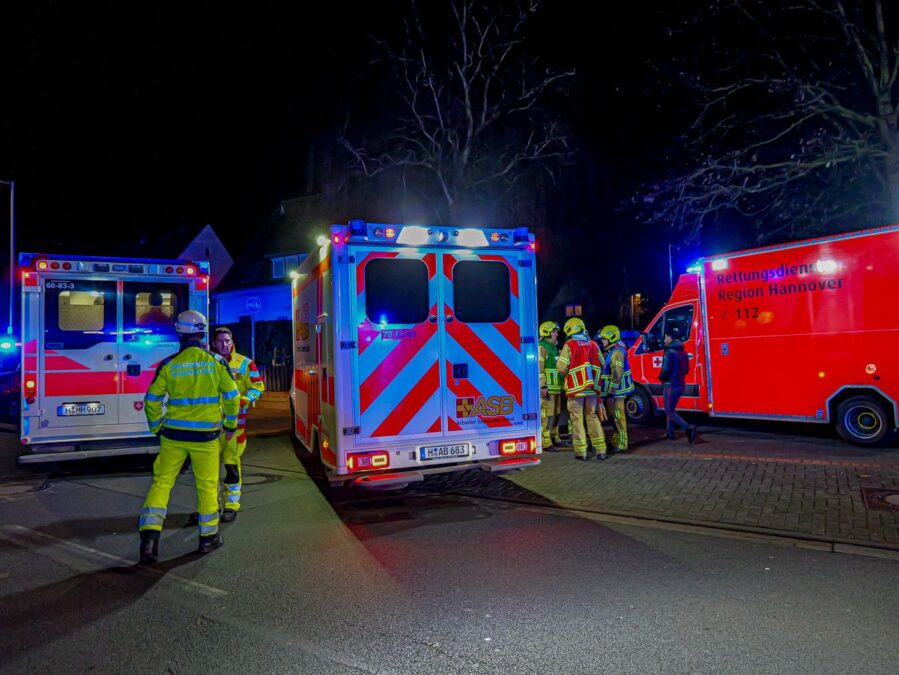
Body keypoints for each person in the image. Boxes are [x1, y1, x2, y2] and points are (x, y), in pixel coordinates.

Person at [138, 310, 240, 563]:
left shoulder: (169, 364)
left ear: (179, 334)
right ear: (203, 333)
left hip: (173, 437)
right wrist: (230, 424)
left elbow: (151, 400)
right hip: (206, 438)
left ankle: (149, 541)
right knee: (206, 486)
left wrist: (157, 427)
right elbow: (232, 397)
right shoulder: (217, 362)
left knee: (162, 483)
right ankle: (208, 538)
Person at [211, 326, 265, 522]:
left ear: (232, 342)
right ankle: (212, 505)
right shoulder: (207, 363)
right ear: (214, 343)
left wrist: (243, 401)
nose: (224, 344)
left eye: (227, 340)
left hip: (235, 428)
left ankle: (231, 506)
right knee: (209, 472)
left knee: (232, 468)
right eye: (220, 341)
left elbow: (258, 386)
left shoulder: (245, 363)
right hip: (211, 427)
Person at [556, 317, 608, 460]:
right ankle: (601, 450)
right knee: (592, 416)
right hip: (592, 388)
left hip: (576, 389)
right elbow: (603, 364)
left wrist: (567, 375)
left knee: (577, 419)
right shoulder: (593, 344)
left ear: (570, 330)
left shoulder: (569, 344)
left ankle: (581, 452)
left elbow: (561, 367)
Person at [598, 325, 635, 453]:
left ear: (612, 338)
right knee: (614, 418)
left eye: (604, 338)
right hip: (614, 392)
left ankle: (622, 444)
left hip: (617, 392)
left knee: (619, 418)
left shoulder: (617, 352)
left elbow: (617, 374)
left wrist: (610, 393)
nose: (602, 341)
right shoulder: (613, 350)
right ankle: (616, 440)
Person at [659, 331, 697, 443]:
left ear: (670, 339)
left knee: (669, 410)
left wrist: (661, 378)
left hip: (670, 386)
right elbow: (686, 370)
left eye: (666, 338)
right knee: (671, 409)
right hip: (680, 385)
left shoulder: (668, 352)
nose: (664, 340)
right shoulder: (683, 352)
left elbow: (665, 370)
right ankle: (670, 433)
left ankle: (688, 428)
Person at [538, 320, 568, 451]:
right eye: (554, 331)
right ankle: (546, 442)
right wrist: (543, 386)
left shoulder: (554, 347)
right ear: (547, 332)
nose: (556, 334)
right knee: (547, 415)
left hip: (556, 388)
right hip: (548, 389)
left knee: (556, 413)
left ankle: (555, 438)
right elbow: (540, 369)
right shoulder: (542, 347)